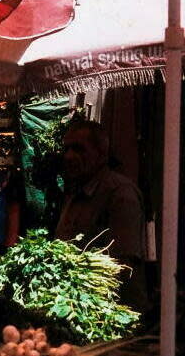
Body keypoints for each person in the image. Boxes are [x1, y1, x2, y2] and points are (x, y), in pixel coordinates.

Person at [55, 119, 148, 313]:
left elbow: (122, 267)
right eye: (67, 149)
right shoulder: (74, 192)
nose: (69, 156)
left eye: (79, 149)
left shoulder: (120, 194)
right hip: (76, 307)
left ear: (101, 154)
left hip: (113, 312)